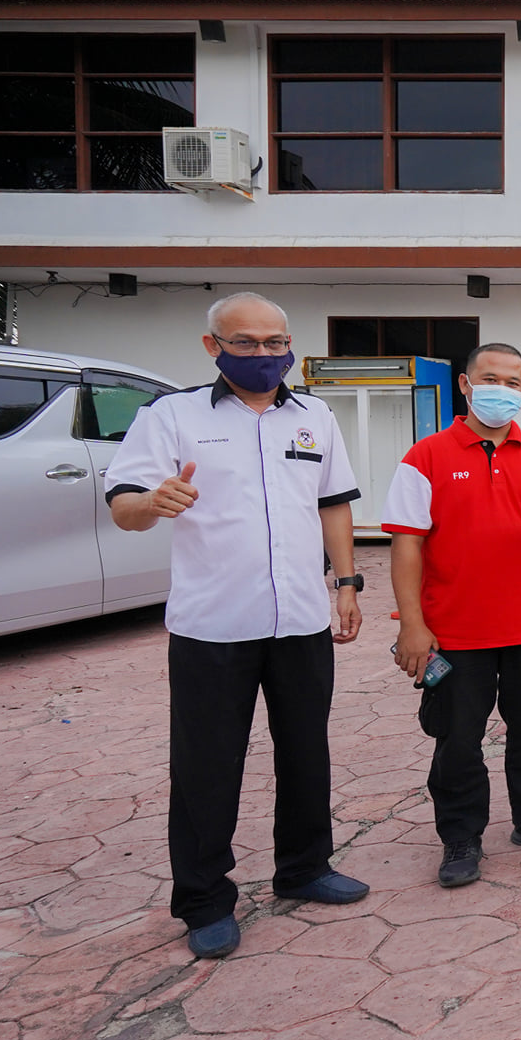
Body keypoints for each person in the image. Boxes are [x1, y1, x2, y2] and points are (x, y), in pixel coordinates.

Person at [105, 292, 368, 959]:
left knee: (305, 750)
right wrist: (153, 501)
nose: (263, 354)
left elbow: (334, 504)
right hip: (212, 625)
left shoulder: (314, 416)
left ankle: (304, 867)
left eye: (275, 342)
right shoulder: (172, 416)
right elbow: (124, 507)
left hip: (300, 619)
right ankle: (204, 899)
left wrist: (346, 583)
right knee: (207, 765)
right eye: (245, 342)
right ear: (212, 346)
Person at [382, 342, 521, 888]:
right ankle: (461, 837)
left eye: (512, 382)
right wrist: (412, 624)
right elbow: (406, 544)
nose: (501, 389)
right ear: (466, 385)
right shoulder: (425, 457)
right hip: (454, 633)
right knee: (457, 740)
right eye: (489, 378)